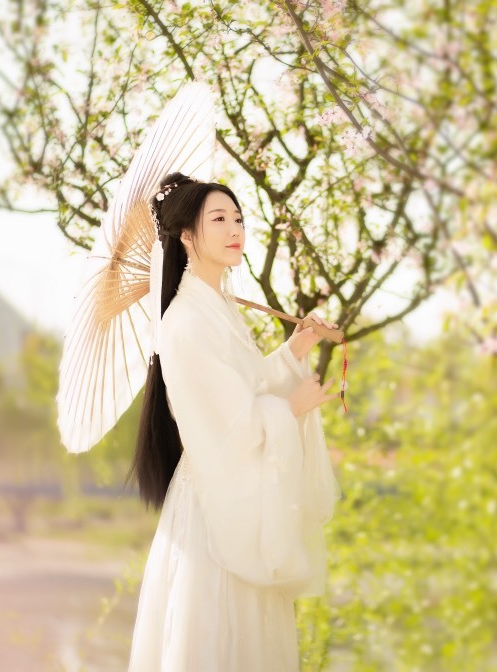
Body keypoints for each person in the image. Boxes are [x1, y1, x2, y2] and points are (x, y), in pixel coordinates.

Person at [126, 172, 341, 671]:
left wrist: (298, 347)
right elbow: (223, 421)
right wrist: (290, 410)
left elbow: (245, 388)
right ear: (186, 235)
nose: (234, 229)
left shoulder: (216, 307)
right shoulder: (185, 320)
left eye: (238, 218)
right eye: (218, 219)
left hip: (232, 495)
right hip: (214, 508)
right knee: (219, 636)